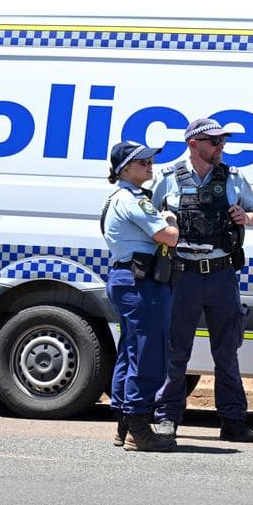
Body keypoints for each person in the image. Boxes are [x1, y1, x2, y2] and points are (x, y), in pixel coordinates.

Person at [152, 117, 253, 442]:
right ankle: (167, 418)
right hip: (182, 275)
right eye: (214, 142)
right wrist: (166, 219)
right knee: (176, 351)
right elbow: (149, 212)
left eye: (222, 141)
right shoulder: (169, 177)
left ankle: (233, 421)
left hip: (221, 275)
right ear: (194, 144)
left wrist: (248, 218)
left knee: (226, 352)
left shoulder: (233, 177)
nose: (221, 147)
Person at [101, 141, 180, 452]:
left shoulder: (118, 197)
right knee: (148, 354)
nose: (149, 165)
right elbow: (169, 237)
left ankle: (125, 423)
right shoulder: (134, 200)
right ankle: (138, 427)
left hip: (129, 278)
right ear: (124, 169)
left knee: (131, 352)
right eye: (142, 161)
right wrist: (171, 218)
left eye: (150, 160)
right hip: (142, 283)